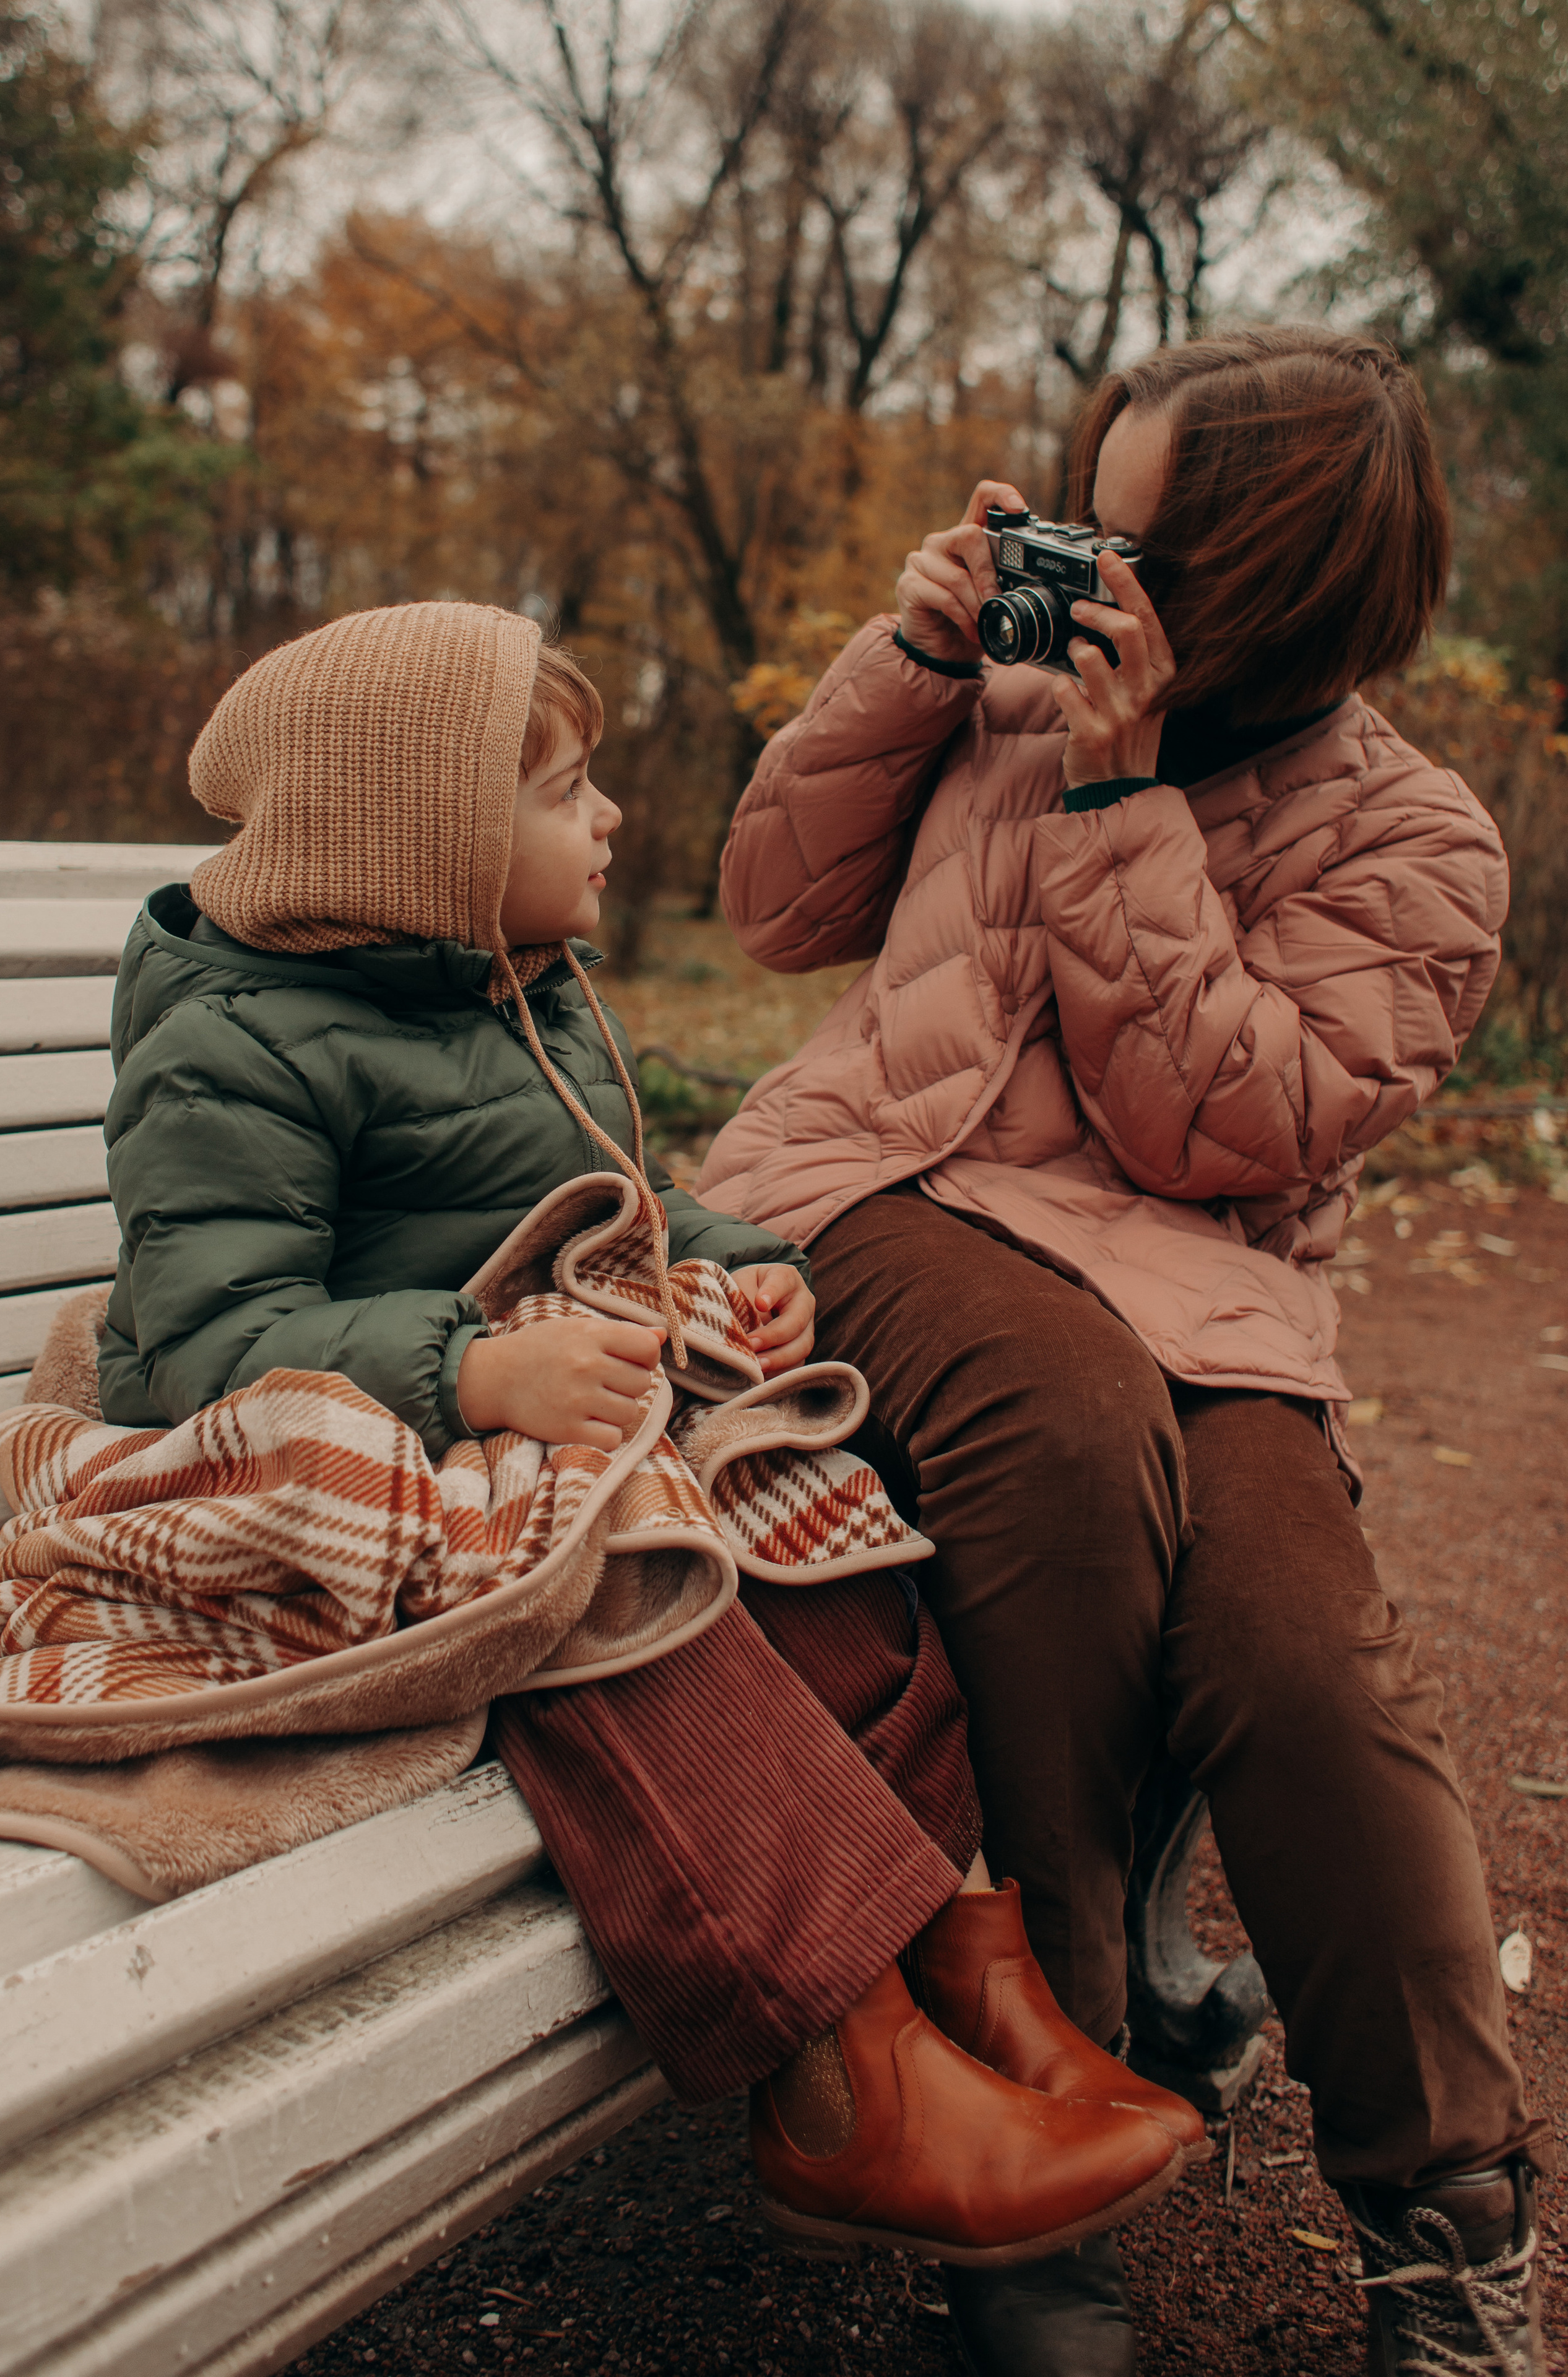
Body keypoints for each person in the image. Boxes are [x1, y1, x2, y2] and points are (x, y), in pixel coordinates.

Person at [95, 597, 1202, 2276]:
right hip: (350, 1458)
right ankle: (843, 2079)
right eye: (564, 793)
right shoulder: (233, 1047)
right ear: (425, 843)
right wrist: (474, 1373)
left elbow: (638, 1202)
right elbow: (200, 1344)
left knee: (824, 1540)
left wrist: (747, 1271)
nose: (610, 818)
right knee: (640, 1598)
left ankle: (959, 1955)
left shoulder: (510, 989)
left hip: (540, 1411)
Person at [700, 326, 1555, 2374]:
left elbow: (1219, 1134)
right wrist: (909, 666)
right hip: (886, 1183)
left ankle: (1448, 2230)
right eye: (1085, 522)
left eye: (1143, 548)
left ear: (1280, 583)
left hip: (1196, 1280)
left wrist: (1119, 793)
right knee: (1061, 1426)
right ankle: (1037, 2156)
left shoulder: (1421, 840)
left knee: (1302, 1653)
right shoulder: (1003, 689)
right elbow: (771, 910)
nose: (1088, 579)